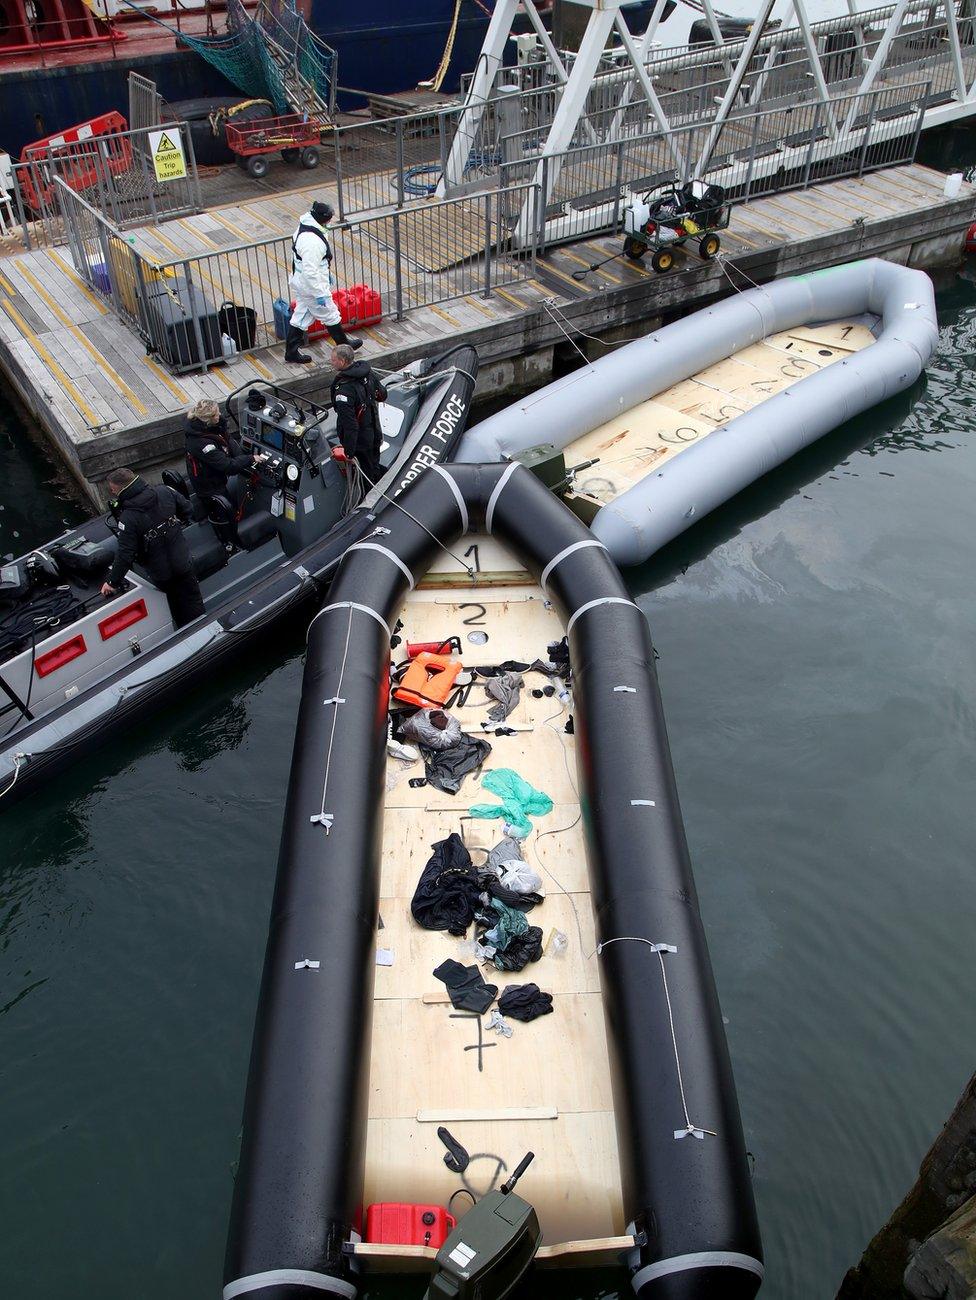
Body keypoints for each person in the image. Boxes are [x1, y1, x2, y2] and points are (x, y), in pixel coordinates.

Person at [100, 467, 205, 630]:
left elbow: (125, 554)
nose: (113, 493)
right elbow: (187, 510)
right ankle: (203, 627)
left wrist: (112, 582)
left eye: (113, 489)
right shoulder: (165, 492)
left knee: (174, 605)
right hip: (182, 561)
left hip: (161, 573)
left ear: (122, 489)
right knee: (193, 599)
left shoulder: (128, 518)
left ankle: (185, 632)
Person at [286, 199, 364, 364]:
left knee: (302, 315)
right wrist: (320, 293)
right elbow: (310, 271)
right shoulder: (312, 242)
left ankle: (291, 352)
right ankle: (344, 345)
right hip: (311, 286)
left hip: (302, 282)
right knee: (330, 314)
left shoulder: (307, 227)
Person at [184, 399, 267, 511]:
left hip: (214, 476)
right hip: (210, 487)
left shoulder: (204, 427)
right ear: (208, 419)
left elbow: (226, 438)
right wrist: (251, 458)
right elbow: (228, 467)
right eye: (216, 414)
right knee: (229, 511)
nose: (219, 414)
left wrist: (240, 457)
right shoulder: (203, 445)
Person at [330, 343, 388, 485]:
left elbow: (350, 425)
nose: (331, 362)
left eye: (333, 359)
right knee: (374, 463)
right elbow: (382, 394)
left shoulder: (344, 391)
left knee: (366, 474)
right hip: (375, 430)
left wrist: (349, 452)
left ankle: (369, 498)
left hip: (361, 441)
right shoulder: (367, 373)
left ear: (342, 362)